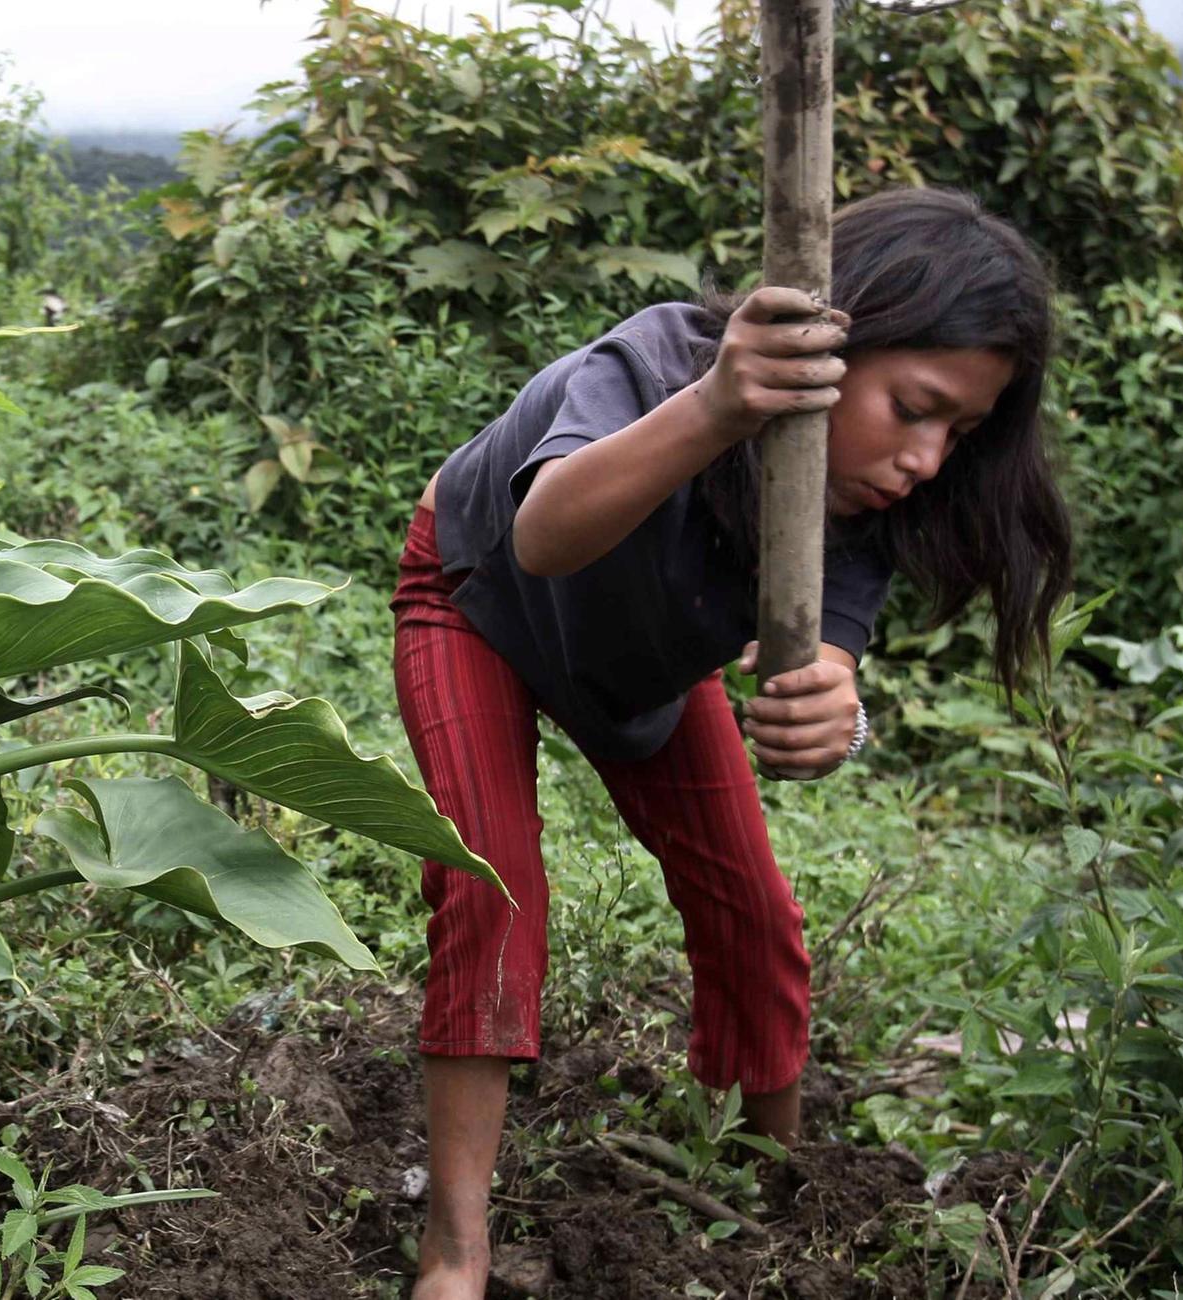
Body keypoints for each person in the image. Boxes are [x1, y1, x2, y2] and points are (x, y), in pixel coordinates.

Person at [391, 187, 1074, 1298]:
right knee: (490, 883)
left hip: (639, 667)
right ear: (836, 336)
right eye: (914, 406)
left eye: (958, 431)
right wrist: (717, 407)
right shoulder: (659, 362)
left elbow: (828, 666)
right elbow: (545, 536)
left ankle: (775, 1180)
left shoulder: (854, 504)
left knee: (752, 908)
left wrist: (832, 716)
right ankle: (454, 1253)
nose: (927, 457)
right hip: (479, 600)